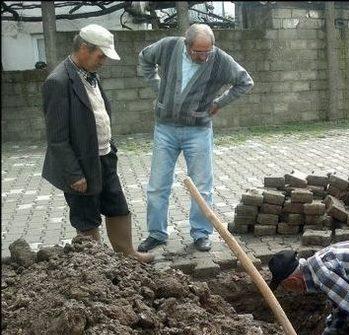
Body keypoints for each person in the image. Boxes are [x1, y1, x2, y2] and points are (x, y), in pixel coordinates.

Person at [41, 24, 154, 263]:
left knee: (117, 205)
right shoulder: (58, 82)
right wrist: (74, 174)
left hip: (104, 156)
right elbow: (57, 137)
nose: (103, 61)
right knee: (87, 216)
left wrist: (109, 146)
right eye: (100, 55)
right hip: (80, 165)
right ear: (84, 48)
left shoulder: (90, 74)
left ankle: (128, 255)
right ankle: (98, 266)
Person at [137, 24, 254, 252]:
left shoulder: (219, 59)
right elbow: (145, 58)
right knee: (157, 185)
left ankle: (201, 234)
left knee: (202, 186)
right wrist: (157, 86)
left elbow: (245, 82)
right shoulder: (168, 46)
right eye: (198, 52)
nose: (204, 56)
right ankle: (157, 233)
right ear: (186, 45)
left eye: (207, 51)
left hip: (197, 130)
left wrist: (219, 103)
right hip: (165, 129)